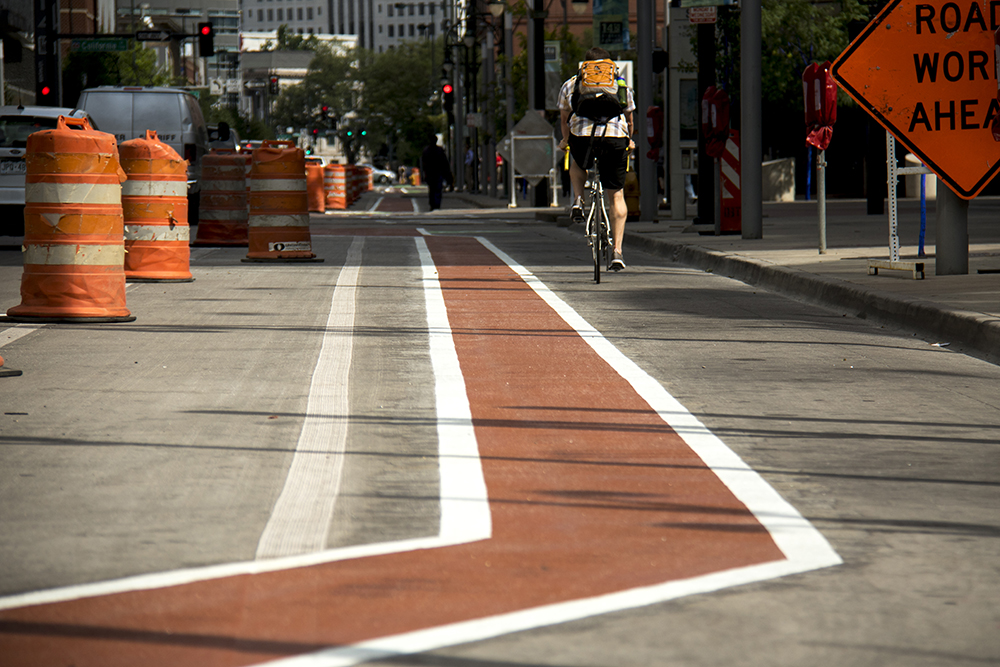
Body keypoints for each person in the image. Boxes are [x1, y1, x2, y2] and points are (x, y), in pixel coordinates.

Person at [557, 47, 636, 271]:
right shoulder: (620, 84)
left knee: (577, 162)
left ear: (586, 65)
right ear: (609, 65)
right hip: (615, 138)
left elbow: (564, 118)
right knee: (616, 195)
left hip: (583, 137)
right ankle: (617, 251)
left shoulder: (572, 83)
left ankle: (578, 199)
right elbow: (629, 118)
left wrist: (565, 140)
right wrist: (629, 139)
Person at [421, 133, 453, 211]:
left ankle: (433, 204)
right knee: (437, 189)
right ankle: (436, 204)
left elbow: (423, 164)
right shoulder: (439, 151)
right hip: (437, 173)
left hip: (431, 173)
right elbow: (445, 163)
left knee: (432, 189)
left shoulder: (427, 151)